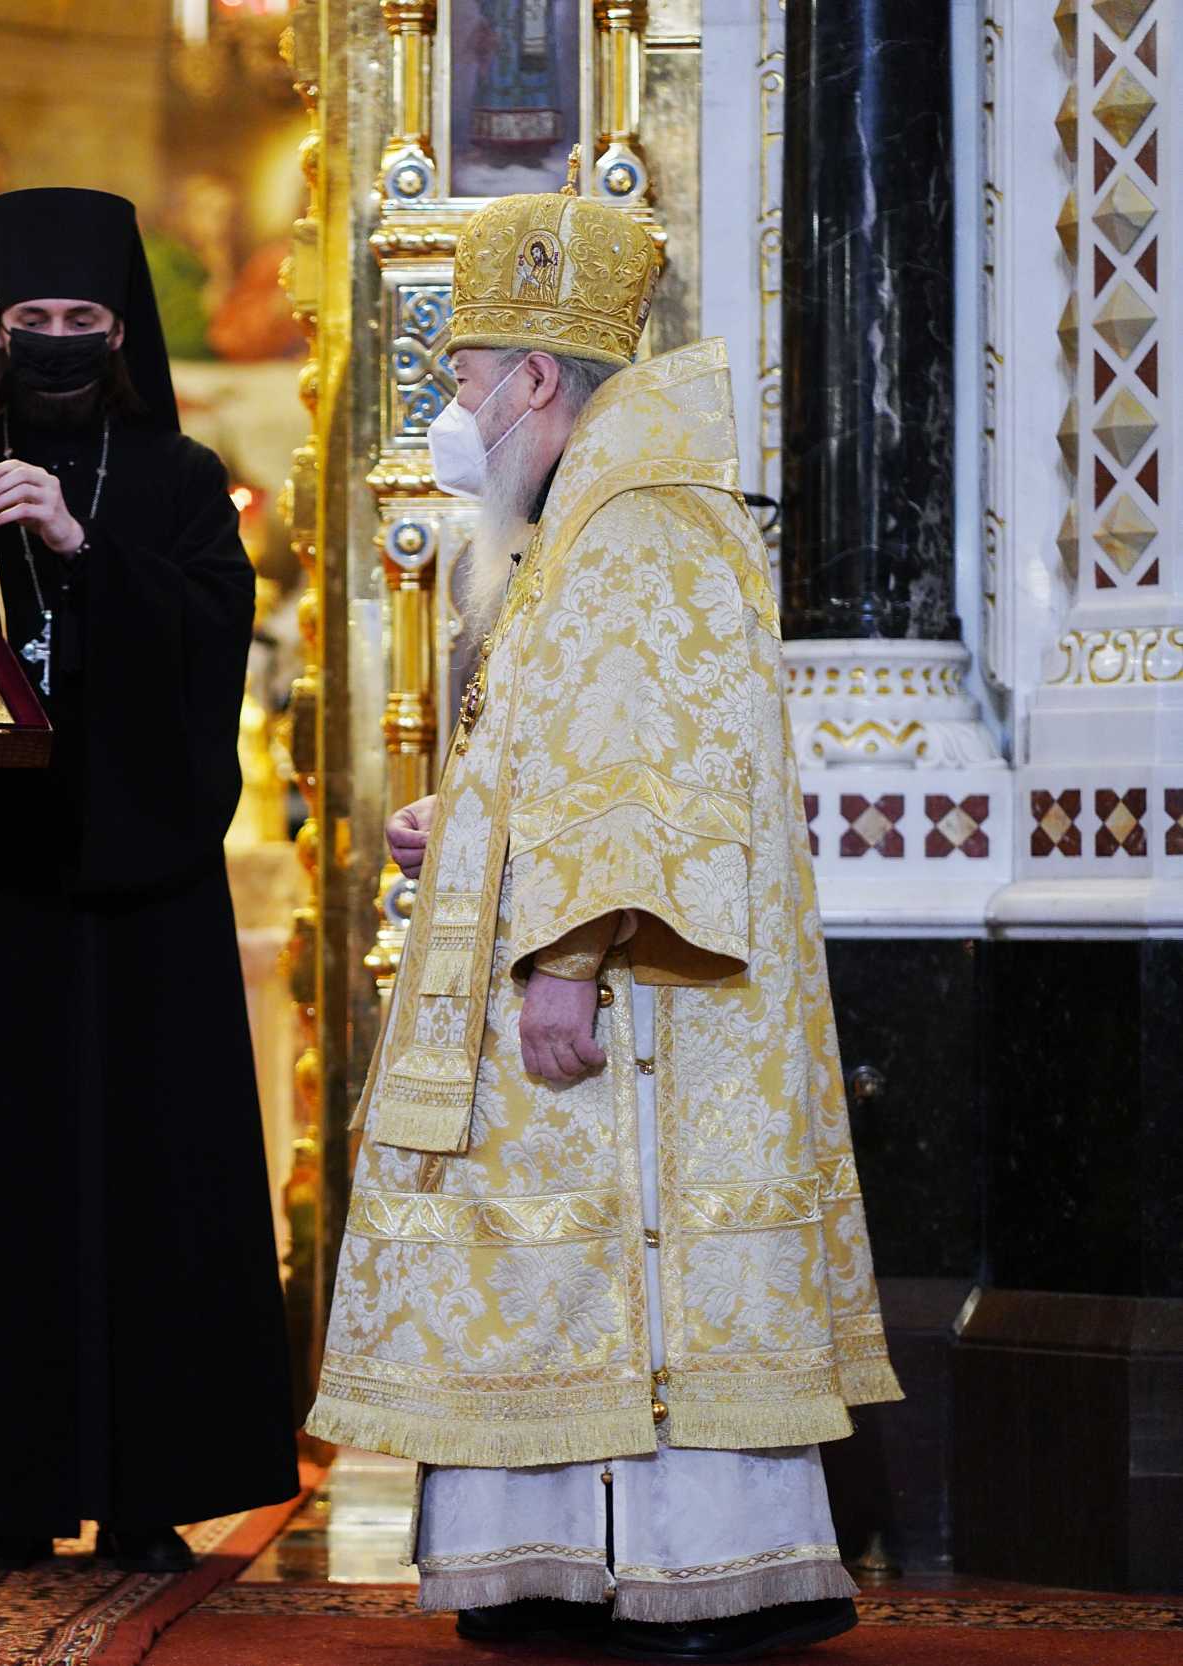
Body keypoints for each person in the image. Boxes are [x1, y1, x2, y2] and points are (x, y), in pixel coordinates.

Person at [305, 171, 901, 1660]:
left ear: (533, 378)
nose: (454, 415)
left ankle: (682, 1571)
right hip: (604, 965)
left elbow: (643, 776)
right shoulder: (598, 512)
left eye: (462, 381)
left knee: (624, 1259)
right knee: (569, 1268)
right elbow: (577, 747)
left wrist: (563, 958)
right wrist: (470, 820)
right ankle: (564, 1563)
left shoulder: (634, 519)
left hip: (629, 999)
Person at [0, 186, 300, 1574]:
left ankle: (153, 1492)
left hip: (140, 890)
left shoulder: (176, 478)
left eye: (80, 315)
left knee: (155, 1183)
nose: (53, 338)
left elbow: (211, 644)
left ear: (121, 329)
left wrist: (83, 552)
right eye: (27, 315)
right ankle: (1, 1491)